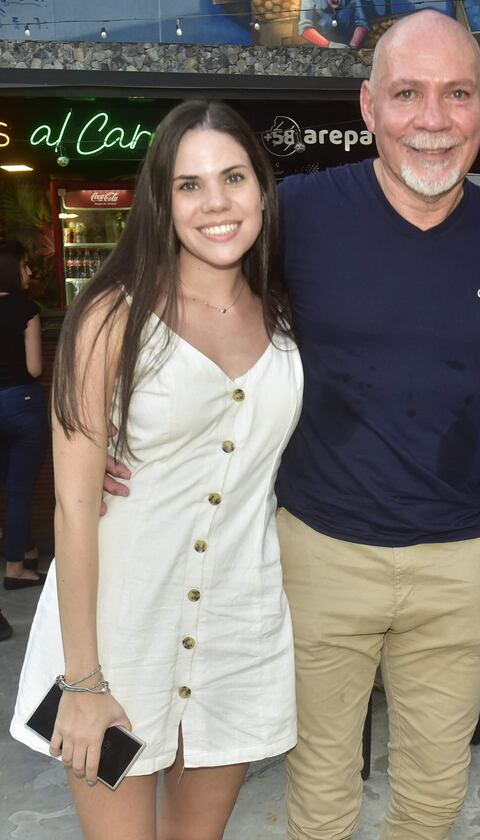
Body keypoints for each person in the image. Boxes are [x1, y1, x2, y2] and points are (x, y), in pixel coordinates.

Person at [102, 12, 480, 838]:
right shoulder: (297, 214)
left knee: (431, 797)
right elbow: (187, 298)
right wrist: (113, 428)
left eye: (456, 94)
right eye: (407, 94)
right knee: (320, 794)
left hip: (457, 566)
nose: (432, 118)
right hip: (317, 554)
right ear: (367, 106)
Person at [10, 100, 302, 840]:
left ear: (262, 190)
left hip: (237, 632)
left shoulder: (285, 316)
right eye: (189, 184)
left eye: (232, 177)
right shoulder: (111, 317)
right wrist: (82, 682)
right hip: (118, 640)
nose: (216, 204)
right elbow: (74, 509)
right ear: (161, 202)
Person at [0, 239, 47, 589]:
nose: (29, 271)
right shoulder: (26, 310)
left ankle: (26, 548)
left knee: (7, 486)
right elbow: (34, 368)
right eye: (24, 267)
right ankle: (15, 568)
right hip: (22, 404)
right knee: (19, 490)